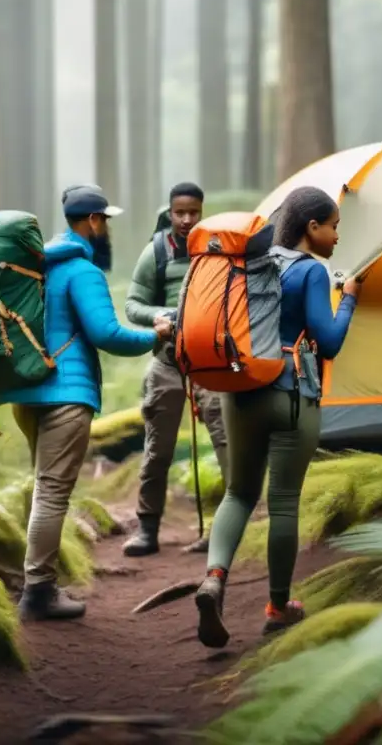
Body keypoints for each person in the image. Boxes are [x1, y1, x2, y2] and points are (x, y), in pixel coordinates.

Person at [193, 186, 362, 648]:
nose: (336, 237)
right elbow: (327, 342)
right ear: (312, 227)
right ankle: (278, 606)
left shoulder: (252, 261)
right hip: (289, 393)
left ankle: (213, 579)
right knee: (283, 501)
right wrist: (348, 298)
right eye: (334, 226)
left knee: (238, 493)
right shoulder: (310, 271)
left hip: (240, 390)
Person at [0, 184, 172, 621]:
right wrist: (156, 335)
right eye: (105, 221)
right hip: (66, 392)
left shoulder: (38, 265)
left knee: (44, 486)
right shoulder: (81, 270)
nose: (107, 229)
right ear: (93, 221)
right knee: (52, 491)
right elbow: (106, 334)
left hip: (29, 390)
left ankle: (38, 584)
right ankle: (38, 591)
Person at [122, 182, 228, 557]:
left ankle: (226, 529)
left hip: (210, 362)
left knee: (225, 443)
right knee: (157, 449)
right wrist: (162, 315)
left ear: (202, 211)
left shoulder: (217, 247)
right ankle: (146, 530)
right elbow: (133, 304)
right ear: (170, 212)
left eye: (193, 212)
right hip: (167, 360)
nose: (186, 219)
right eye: (179, 212)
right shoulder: (155, 252)